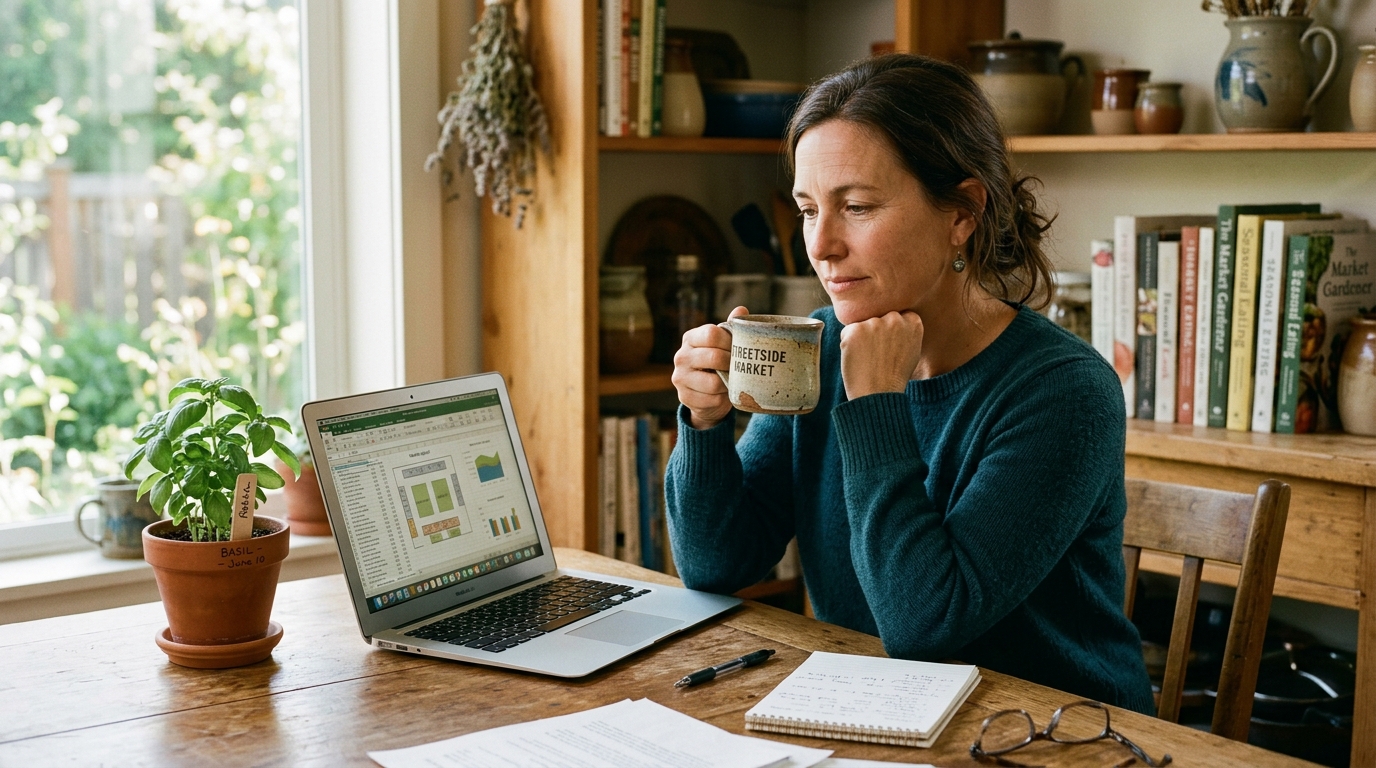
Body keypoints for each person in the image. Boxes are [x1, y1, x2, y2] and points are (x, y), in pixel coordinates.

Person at [665, 54, 1154, 714]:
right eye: (810, 210)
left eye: (858, 207)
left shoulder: (1065, 391)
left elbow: (927, 624)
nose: (823, 245)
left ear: (962, 212)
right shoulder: (821, 345)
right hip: (879, 712)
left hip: (1053, 738)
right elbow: (716, 563)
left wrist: (875, 403)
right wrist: (704, 423)